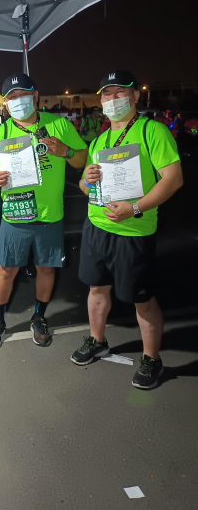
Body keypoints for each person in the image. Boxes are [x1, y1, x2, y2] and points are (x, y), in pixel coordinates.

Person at [72, 70, 183, 389]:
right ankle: (97, 340)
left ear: (135, 96)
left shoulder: (152, 131)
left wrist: (135, 208)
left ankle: (152, 358)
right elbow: (84, 186)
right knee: (96, 289)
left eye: (119, 92)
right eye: (106, 94)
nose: (112, 98)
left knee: (142, 299)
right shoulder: (100, 140)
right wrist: (86, 179)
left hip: (134, 230)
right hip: (97, 226)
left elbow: (173, 179)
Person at [0, 73, 88, 350]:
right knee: (6, 269)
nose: (18, 101)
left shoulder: (59, 125)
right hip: (16, 213)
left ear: (35, 95)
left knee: (46, 268)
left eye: (23, 94)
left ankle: (39, 317)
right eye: (12, 97)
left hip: (50, 213)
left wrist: (66, 151)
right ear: (5, 103)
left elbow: (82, 158)